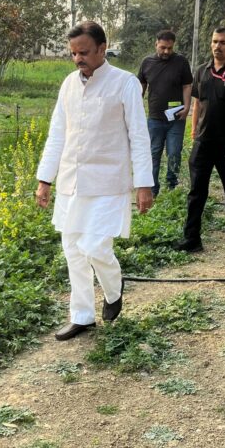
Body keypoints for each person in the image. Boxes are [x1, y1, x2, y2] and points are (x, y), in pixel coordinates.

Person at [36, 21, 154, 341]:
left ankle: (113, 288)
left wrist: (144, 184)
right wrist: (45, 179)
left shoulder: (125, 83)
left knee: (94, 247)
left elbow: (139, 136)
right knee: (73, 250)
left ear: (102, 49)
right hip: (72, 181)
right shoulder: (68, 85)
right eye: (73, 53)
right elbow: (57, 134)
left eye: (84, 52)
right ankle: (82, 316)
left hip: (108, 182)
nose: (78, 59)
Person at [177, 26, 225, 252]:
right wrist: (194, 132)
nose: (217, 46)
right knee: (196, 190)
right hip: (203, 141)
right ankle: (192, 238)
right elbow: (197, 103)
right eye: (214, 41)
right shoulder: (202, 71)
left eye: (222, 42)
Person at [137, 30, 193, 196]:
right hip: (154, 118)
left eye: (170, 48)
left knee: (174, 153)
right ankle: (152, 189)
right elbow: (141, 85)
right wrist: (136, 106)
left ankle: (171, 187)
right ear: (156, 44)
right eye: (163, 48)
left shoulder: (181, 62)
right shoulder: (147, 62)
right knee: (153, 153)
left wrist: (187, 107)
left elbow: (187, 85)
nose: (166, 51)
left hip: (176, 118)